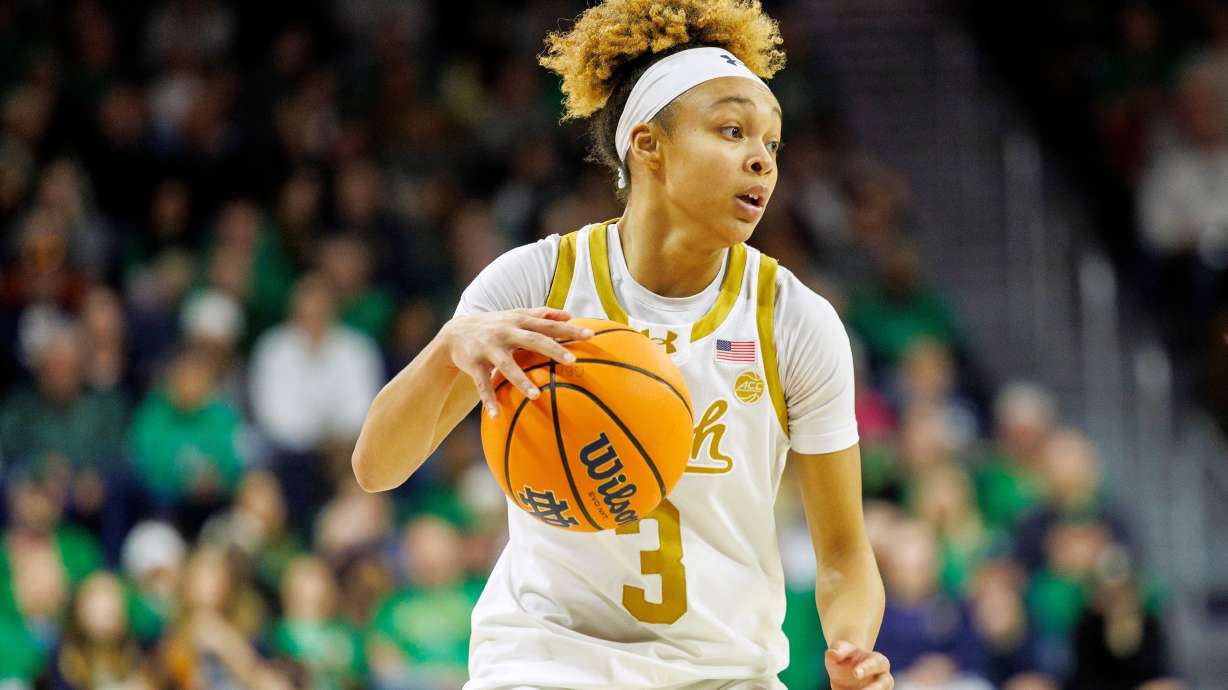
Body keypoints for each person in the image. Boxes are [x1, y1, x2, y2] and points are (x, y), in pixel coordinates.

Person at [352, 1, 893, 689]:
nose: (762, 159)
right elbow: (376, 468)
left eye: (773, 144)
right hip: (545, 659)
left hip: (726, 674)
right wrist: (448, 347)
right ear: (648, 146)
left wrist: (853, 647)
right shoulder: (537, 282)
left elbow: (844, 553)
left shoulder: (795, 321)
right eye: (732, 131)